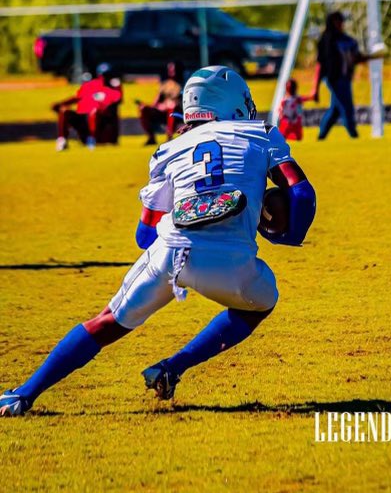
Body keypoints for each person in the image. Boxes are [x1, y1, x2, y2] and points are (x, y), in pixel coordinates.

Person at [0, 66, 316, 416]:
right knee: (261, 300)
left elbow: (144, 236)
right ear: (233, 104)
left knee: (106, 322)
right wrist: (287, 234)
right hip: (233, 262)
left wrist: (191, 210)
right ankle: (175, 365)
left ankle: (24, 395)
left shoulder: (168, 151)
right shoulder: (262, 134)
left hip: (172, 253)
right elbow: (300, 193)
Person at [310, 11, 384, 140]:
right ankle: (354, 136)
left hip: (345, 78)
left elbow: (356, 58)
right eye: (337, 21)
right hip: (334, 79)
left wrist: (374, 56)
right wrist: (315, 88)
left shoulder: (347, 40)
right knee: (347, 107)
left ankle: (321, 137)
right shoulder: (326, 40)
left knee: (335, 110)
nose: (340, 24)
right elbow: (321, 65)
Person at [52, 63, 123, 151]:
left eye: (108, 75)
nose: (105, 78)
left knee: (95, 111)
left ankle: (92, 139)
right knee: (64, 111)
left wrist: (118, 86)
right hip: (84, 122)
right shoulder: (90, 85)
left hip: (102, 126)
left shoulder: (114, 89)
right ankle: (62, 140)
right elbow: (77, 97)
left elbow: (117, 100)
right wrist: (60, 104)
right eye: (104, 75)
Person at [136, 62, 183, 146]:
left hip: (178, 111)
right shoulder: (164, 84)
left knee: (171, 106)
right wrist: (149, 105)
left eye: (173, 68)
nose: (171, 70)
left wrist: (167, 105)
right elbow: (156, 101)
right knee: (143, 109)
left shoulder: (182, 83)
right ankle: (151, 138)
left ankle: (169, 137)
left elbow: (178, 101)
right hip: (163, 111)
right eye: (170, 68)